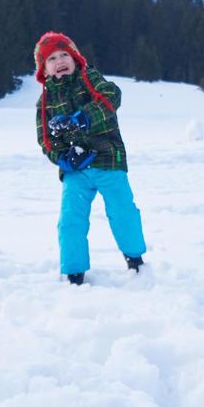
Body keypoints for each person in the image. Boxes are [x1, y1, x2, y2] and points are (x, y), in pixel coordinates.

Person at [34, 30, 146, 284]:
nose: (60, 61)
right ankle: (74, 273)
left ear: (75, 58)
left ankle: (135, 260)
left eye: (65, 55)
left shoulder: (90, 78)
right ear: (44, 69)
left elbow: (111, 97)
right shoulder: (44, 102)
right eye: (51, 58)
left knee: (123, 211)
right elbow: (46, 140)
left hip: (108, 159)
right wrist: (63, 158)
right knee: (70, 220)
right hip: (76, 170)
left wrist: (81, 118)